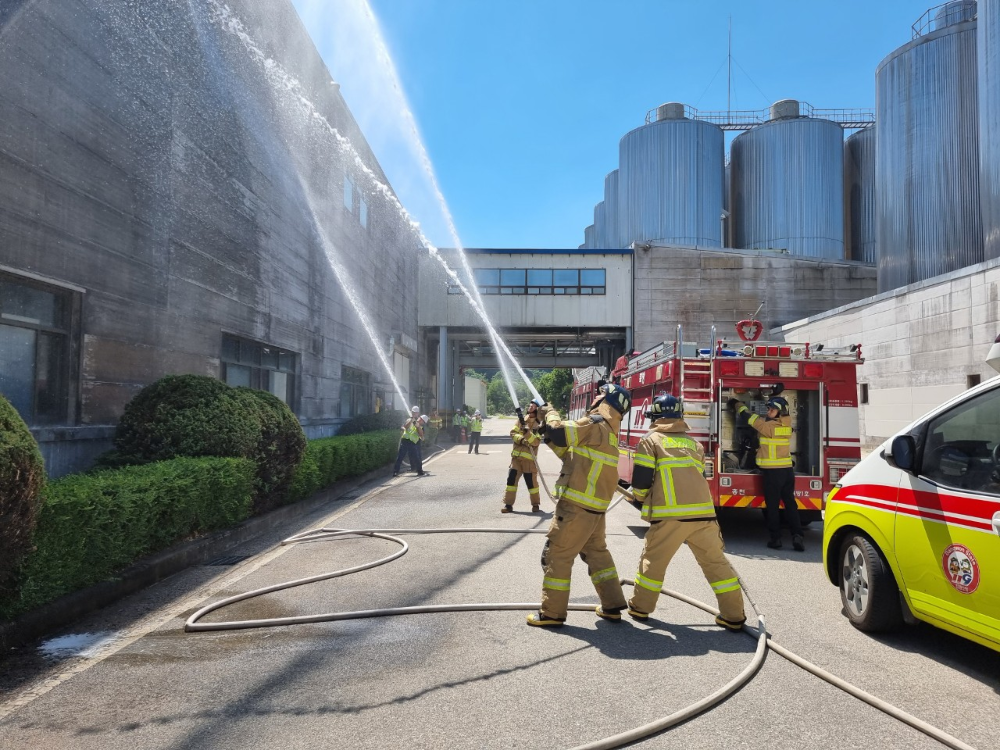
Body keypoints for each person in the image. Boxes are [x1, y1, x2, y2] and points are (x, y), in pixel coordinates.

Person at [624, 395, 746, 631]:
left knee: (653, 563)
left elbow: (641, 482)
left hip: (670, 517)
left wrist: (638, 497)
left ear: (656, 416)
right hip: (704, 516)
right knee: (716, 565)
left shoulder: (650, 441)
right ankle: (734, 616)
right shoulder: (695, 444)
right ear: (680, 416)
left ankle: (641, 607)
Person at [526, 384, 631, 627]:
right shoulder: (608, 431)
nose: (595, 396)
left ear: (608, 399)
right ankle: (613, 606)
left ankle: (552, 613)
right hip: (594, 511)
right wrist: (545, 428)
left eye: (600, 393)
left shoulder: (594, 423)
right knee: (597, 554)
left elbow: (561, 432)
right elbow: (569, 453)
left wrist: (550, 413)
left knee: (557, 556)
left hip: (575, 508)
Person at [728, 395, 804, 551]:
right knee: (790, 504)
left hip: (772, 473)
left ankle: (775, 539)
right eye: (769, 409)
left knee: (772, 507)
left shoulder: (768, 428)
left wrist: (737, 404)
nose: (769, 411)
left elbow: (748, 417)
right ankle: (797, 536)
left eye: (772, 409)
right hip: (787, 472)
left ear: (780, 411)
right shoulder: (787, 424)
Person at [501, 402, 542, 513]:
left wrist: (527, 433)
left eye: (533, 406)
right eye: (529, 405)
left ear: (537, 409)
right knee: (511, 481)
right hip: (516, 459)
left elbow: (536, 442)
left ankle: (535, 505)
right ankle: (508, 505)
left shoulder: (540, 425)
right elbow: (513, 433)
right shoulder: (521, 420)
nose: (530, 407)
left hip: (529, 461)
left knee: (532, 484)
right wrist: (522, 439)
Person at [393, 406, 427, 477]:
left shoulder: (421, 425)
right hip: (405, 440)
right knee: (400, 456)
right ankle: (395, 472)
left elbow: (421, 434)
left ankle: (419, 471)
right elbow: (405, 427)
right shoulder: (409, 420)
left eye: (415, 413)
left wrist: (417, 426)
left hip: (413, 443)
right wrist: (411, 421)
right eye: (413, 412)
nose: (414, 414)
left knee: (416, 457)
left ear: (418, 413)